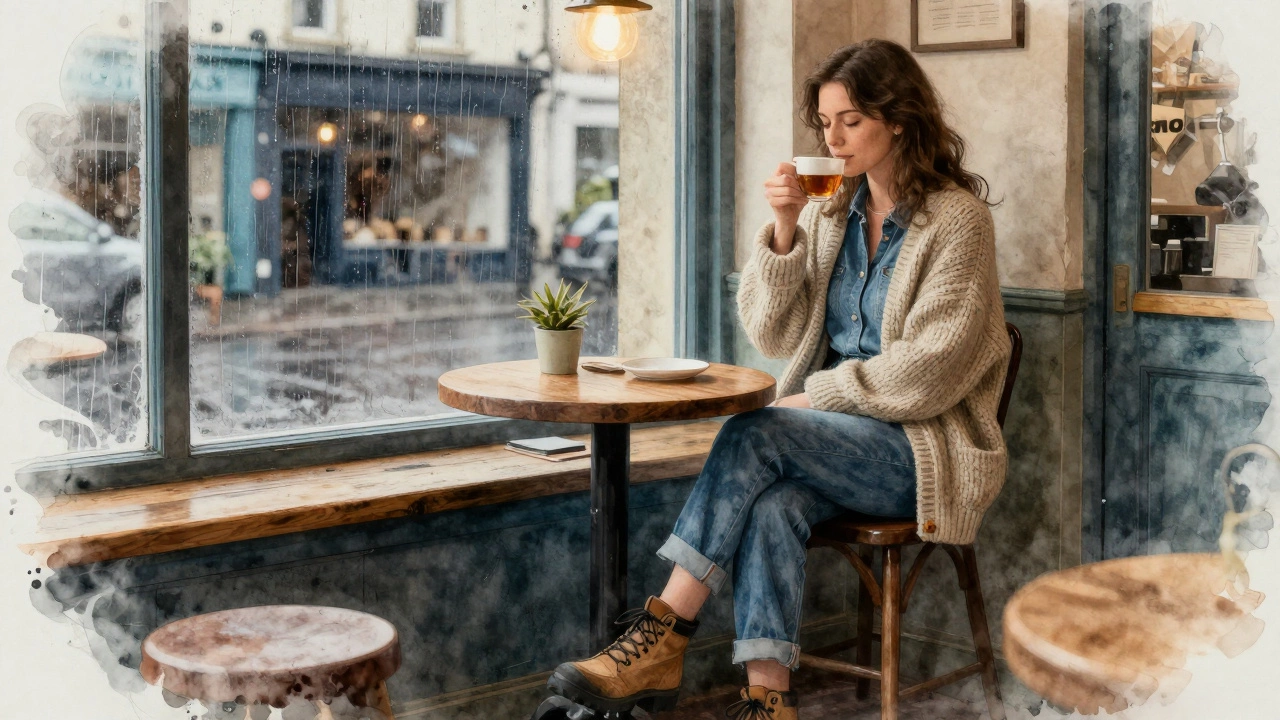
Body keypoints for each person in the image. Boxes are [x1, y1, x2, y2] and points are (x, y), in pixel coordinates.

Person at [547, 38, 1010, 719]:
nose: (833, 136)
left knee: (756, 432)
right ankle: (769, 702)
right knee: (773, 505)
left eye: (850, 120)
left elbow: (930, 371)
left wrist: (814, 394)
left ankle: (663, 631)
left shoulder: (958, 223)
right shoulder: (830, 214)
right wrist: (785, 228)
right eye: (825, 123)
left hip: (918, 451)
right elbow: (770, 333)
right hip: (830, 443)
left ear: (900, 121)